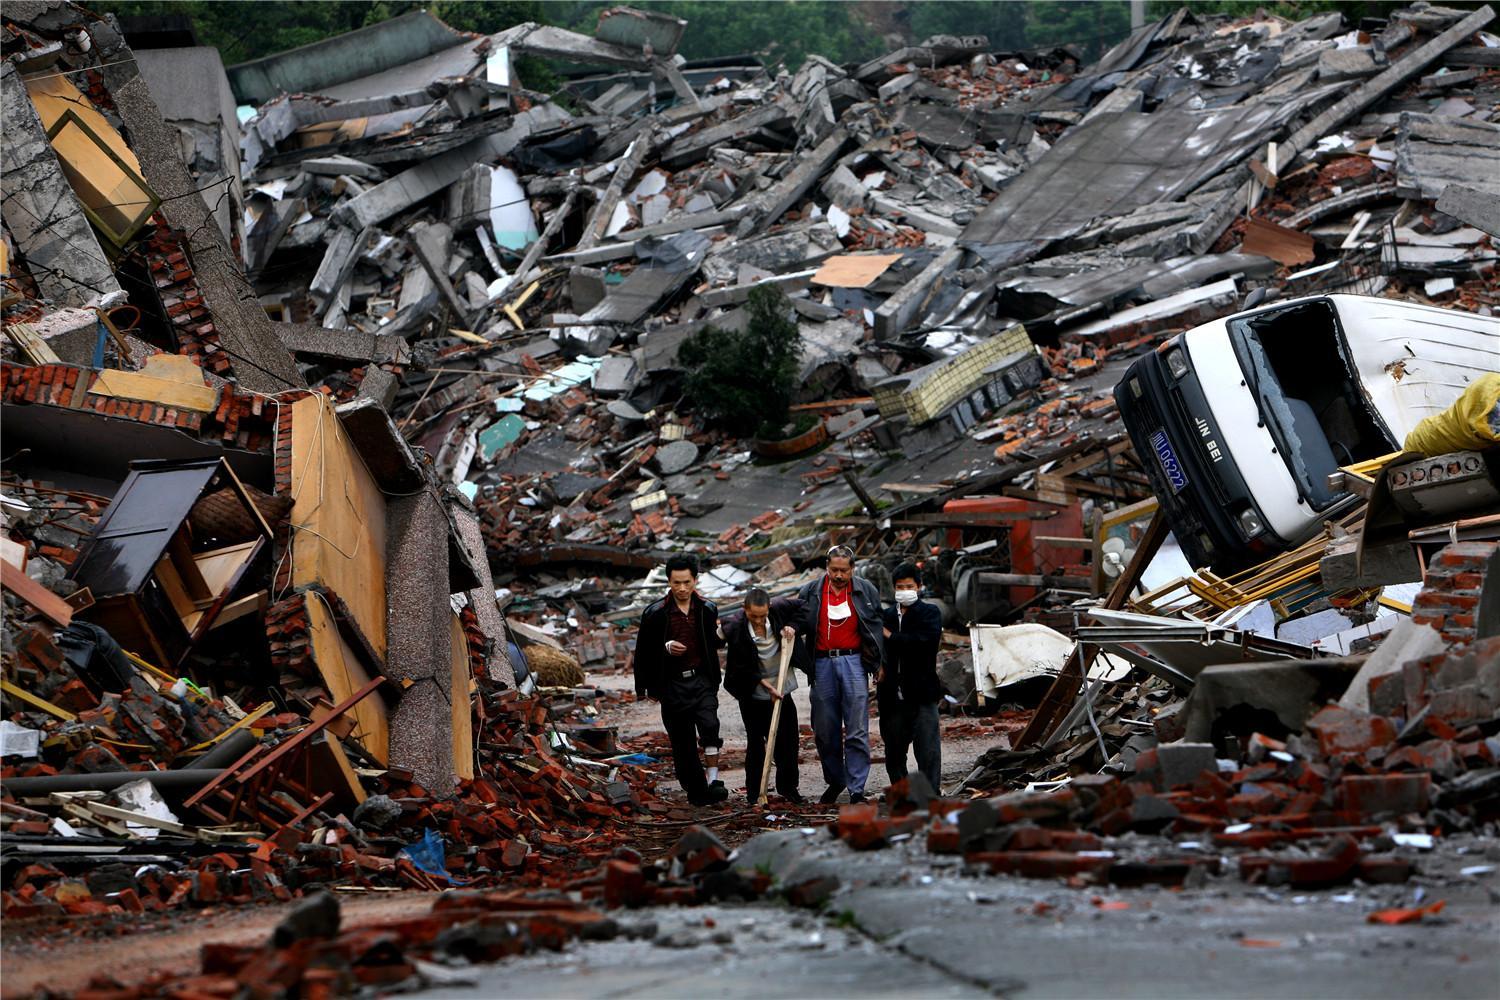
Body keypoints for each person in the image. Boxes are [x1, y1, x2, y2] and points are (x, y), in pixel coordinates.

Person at [634, 554, 727, 806]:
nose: (682, 588)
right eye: (677, 583)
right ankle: (697, 792)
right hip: (672, 685)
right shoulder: (655, 613)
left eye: (687, 582)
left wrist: (725, 632)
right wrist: (646, 684)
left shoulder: (707, 609)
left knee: (710, 724)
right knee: (682, 743)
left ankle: (714, 781)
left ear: (695, 580)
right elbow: (643, 650)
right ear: (669, 582)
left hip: (702, 680)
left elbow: (714, 641)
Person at [795, 545, 885, 804]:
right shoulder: (812, 591)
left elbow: (876, 624)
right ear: (827, 567)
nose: (838, 575)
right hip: (822, 663)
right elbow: (797, 619)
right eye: (834, 570)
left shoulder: (865, 590)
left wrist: (878, 661)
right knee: (825, 729)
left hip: (854, 661)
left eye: (844, 571)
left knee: (857, 727)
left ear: (852, 569)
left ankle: (857, 789)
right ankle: (836, 781)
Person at [722, 588, 808, 804]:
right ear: (745, 610)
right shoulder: (736, 627)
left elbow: (805, 607)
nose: (759, 621)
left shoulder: (779, 609)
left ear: (769, 608)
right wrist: (766, 687)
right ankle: (755, 792)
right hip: (752, 690)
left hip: (781, 686)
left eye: (763, 615)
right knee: (756, 743)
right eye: (754, 616)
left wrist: (793, 626)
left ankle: (788, 789)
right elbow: (740, 668)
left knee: (787, 741)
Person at [877, 562, 943, 792]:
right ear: (893, 588)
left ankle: (931, 795)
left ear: (919, 587)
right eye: (900, 586)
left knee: (928, 751)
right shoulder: (885, 615)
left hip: (922, 692)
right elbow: (875, 647)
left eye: (909, 586)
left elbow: (924, 643)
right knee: (894, 751)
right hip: (892, 695)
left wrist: (891, 637)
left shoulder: (930, 613)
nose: (904, 590)